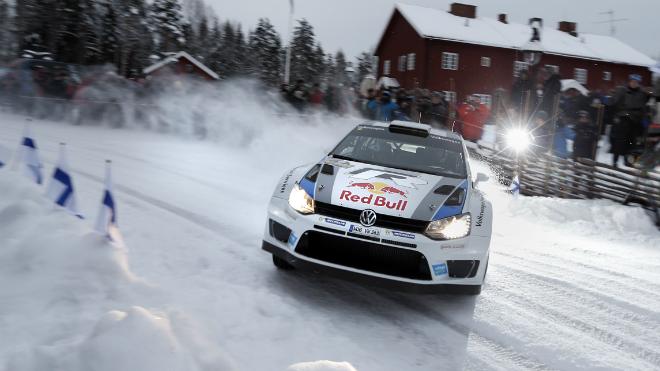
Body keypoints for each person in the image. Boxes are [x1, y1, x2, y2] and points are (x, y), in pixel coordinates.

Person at [610, 74, 650, 167]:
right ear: (630, 81)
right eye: (632, 81)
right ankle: (615, 161)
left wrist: (644, 119)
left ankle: (628, 161)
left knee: (631, 143)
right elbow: (615, 103)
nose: (634, 83)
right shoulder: (622, 91)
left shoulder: (641, 94)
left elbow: (643, 108)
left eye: (636, 82)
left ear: (638, 83)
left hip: (634, 122)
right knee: (618, 142)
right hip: (623, 120)